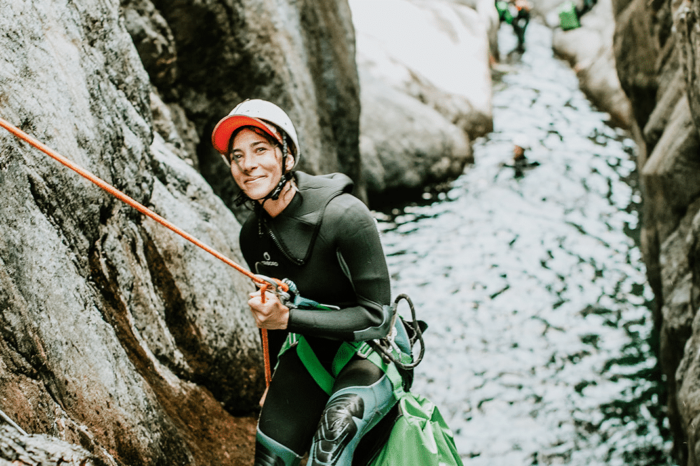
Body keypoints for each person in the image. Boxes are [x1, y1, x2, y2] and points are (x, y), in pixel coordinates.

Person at [211, 99, 402, 466]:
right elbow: (273, 318)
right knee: (270, 456)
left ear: (287, 156)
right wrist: (275, 378)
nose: (248, 165)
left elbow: (377, 317)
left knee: (332, 438)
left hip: (373, 351)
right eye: (237, 156)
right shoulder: (253, 235)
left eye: (260, 150)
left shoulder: (345, 216)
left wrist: (288, 320)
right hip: (313, 350)